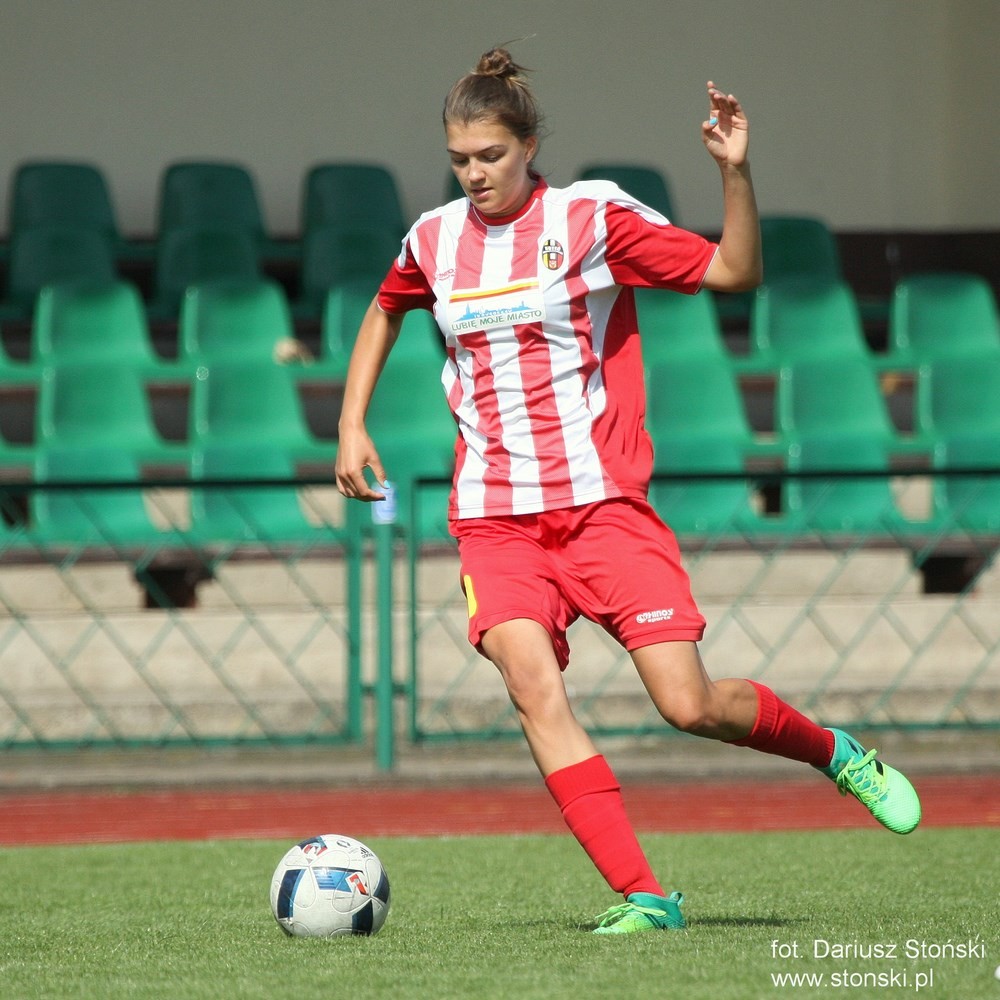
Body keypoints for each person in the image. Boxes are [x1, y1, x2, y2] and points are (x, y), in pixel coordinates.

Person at [335, 47, 922, 935]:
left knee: (689, 705)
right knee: (532, 688)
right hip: (495, 520)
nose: (475, 174)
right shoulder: (433, 239)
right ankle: (645, 896)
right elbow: (386, 306)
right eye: (459, 159)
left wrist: (735, 172)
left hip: (603, 510)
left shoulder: (591, 217)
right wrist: (351, 422)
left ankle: (835, 753)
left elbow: (734, 273)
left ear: (529, 145)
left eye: (491, 155)